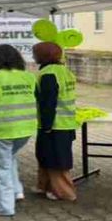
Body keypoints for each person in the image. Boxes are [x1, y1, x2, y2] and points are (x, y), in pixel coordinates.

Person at [0, 45, 37, 216]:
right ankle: (17, 191)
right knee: (10, 158)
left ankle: (4, 207)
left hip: (1, 130)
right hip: (25, 129)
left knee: (1, 166)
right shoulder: (29, 77)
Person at [32, 42, 78, 202]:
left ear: (44, 56)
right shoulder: (65, 71)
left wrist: (46, 126)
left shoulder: (48, 74)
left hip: (54, 125)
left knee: (56, 161)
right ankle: (43, 186)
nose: (33, 56)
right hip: (67, 122)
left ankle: (64, 192)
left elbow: (48, 102)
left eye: (35, 53)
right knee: (46, 157)